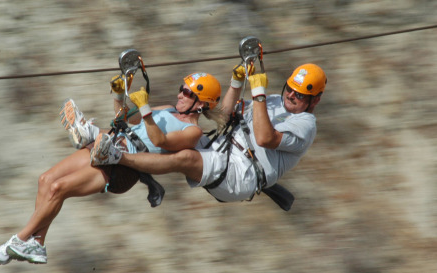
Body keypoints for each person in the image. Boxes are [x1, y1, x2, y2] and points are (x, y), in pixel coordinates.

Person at [0, 72, 226, 265]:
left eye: (187, 92)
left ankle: (18, 239)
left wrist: (146, 111)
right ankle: (37, 244)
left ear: (202, 103)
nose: (180, 94)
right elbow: (127, 118)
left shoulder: (193, 133)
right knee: (46, 179)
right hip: (113, 142)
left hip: (124, 163)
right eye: (181, 88)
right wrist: (119, 93)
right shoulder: (169, 109)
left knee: (58, 188)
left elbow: (160, 141)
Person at [91, 63, 327, 203]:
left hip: (241, 173)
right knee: (177, 127)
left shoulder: (306, 123)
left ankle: (117, 156)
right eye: (290, 89)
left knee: (186, 157)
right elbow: (226, 114)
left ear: (314, 100)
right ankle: (93, 134)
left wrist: (259, 95)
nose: (291, 96)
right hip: (221, 151)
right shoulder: (274, 100)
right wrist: (237, 82)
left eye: (300, 95)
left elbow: (266, 138)